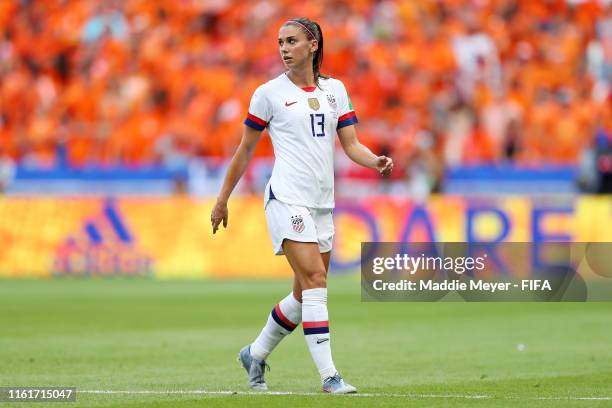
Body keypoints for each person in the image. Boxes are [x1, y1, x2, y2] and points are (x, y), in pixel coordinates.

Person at [210, 17, 393, 394]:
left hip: (322, 204)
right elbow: (245, 150)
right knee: (317, 281)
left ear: (313, 44)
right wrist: (222, 198)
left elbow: (351, 144)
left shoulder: (335, 90)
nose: (283, 48)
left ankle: (255, 353)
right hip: (286, 197)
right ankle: (329, 376)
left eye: (291, 41)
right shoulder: (268, 93)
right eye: (280, 42)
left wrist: (375, 160)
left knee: (302, 294)